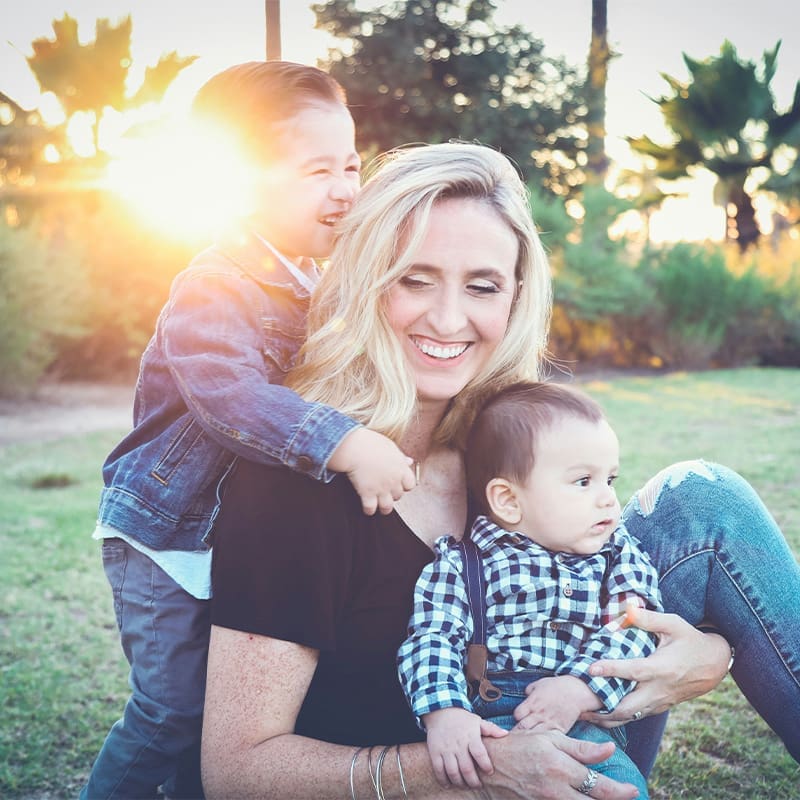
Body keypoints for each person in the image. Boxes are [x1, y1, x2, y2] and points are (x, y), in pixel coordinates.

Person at [202, 141, 800, 800]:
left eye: (481, 286)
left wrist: (711, 654)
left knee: (703, 500)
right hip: (442, 783)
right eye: (415, 278)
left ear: (515, 297)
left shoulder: (508, 444)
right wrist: (475, 768)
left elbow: (603, 593)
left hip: (569, 726)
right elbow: (235, 771)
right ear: (367, 280)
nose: (449, 317)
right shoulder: (297, 484)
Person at [81, 61, 417, 800]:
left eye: (352, 164)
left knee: (221, 716)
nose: (345, 187)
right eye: (317, 169)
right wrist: (343, 441)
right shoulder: (215, 283)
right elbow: (228, 394)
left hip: (229, 535)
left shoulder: (313, 282)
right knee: (170, 710)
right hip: (166, 538)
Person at [397, 381, 661, 797]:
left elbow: (635, 624)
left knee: (618, 790)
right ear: (507, 500)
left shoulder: (617, 554)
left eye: (610, 479)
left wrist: (581, 688)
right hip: (488, 727)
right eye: (583, 482)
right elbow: (433, 638)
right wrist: (444, 712)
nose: (609, 499)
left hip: (582, 724)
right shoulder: (464, 562)